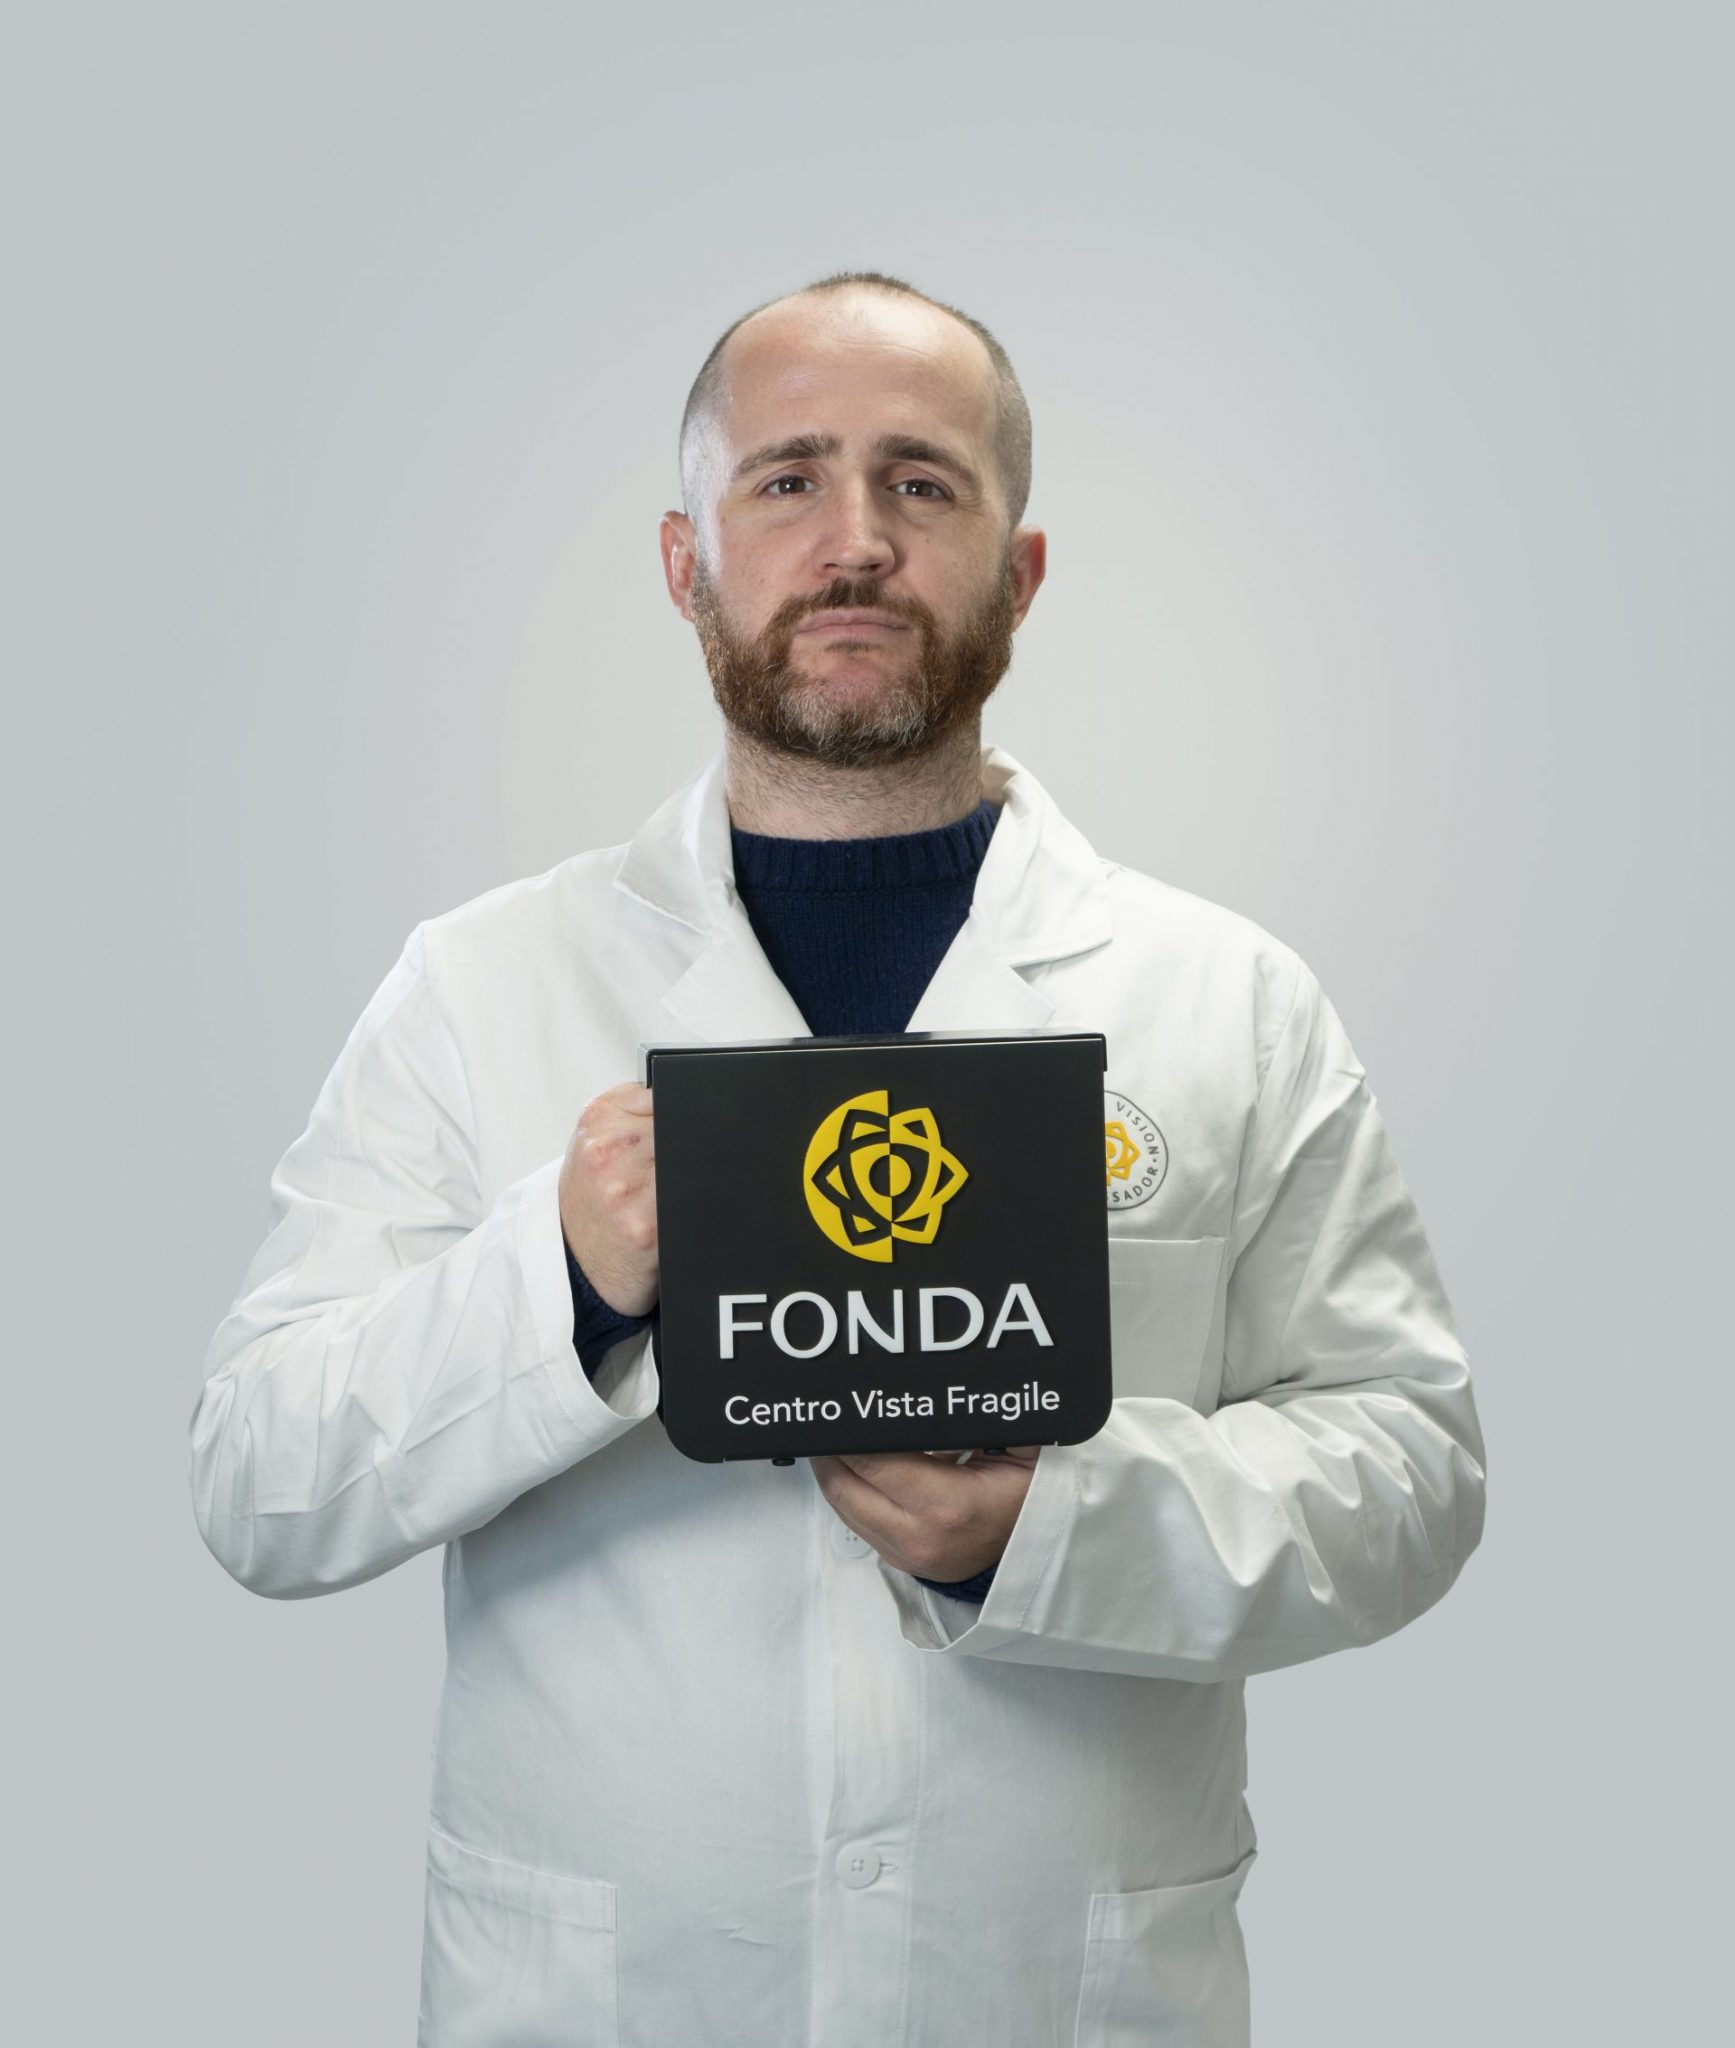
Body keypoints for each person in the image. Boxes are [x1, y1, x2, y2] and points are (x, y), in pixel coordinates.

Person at [188, 269, 1487, 2047]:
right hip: (607, 2000)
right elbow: (260, 1482)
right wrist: (558, 1283)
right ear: (685, 562)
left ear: (1021, 570)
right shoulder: (480, 988)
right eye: (788, 478)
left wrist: (1057, 1524)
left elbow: (1411, 1469)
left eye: (922, 483)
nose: (856, 541)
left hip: (1057, 1998)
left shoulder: (1227, 1002)